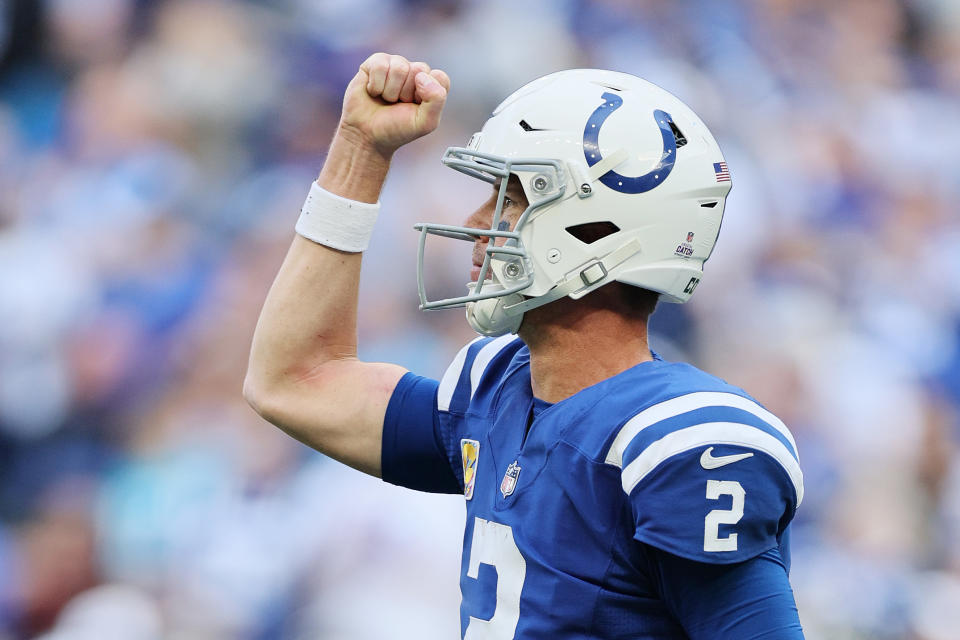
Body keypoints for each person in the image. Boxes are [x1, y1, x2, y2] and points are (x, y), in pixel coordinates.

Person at [245, 52, 805, 639]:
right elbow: (295, 379)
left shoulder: (680, 445)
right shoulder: (500, 392)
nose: (478, 218)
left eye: (512, 199)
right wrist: (360, 152)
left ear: (597, 232)